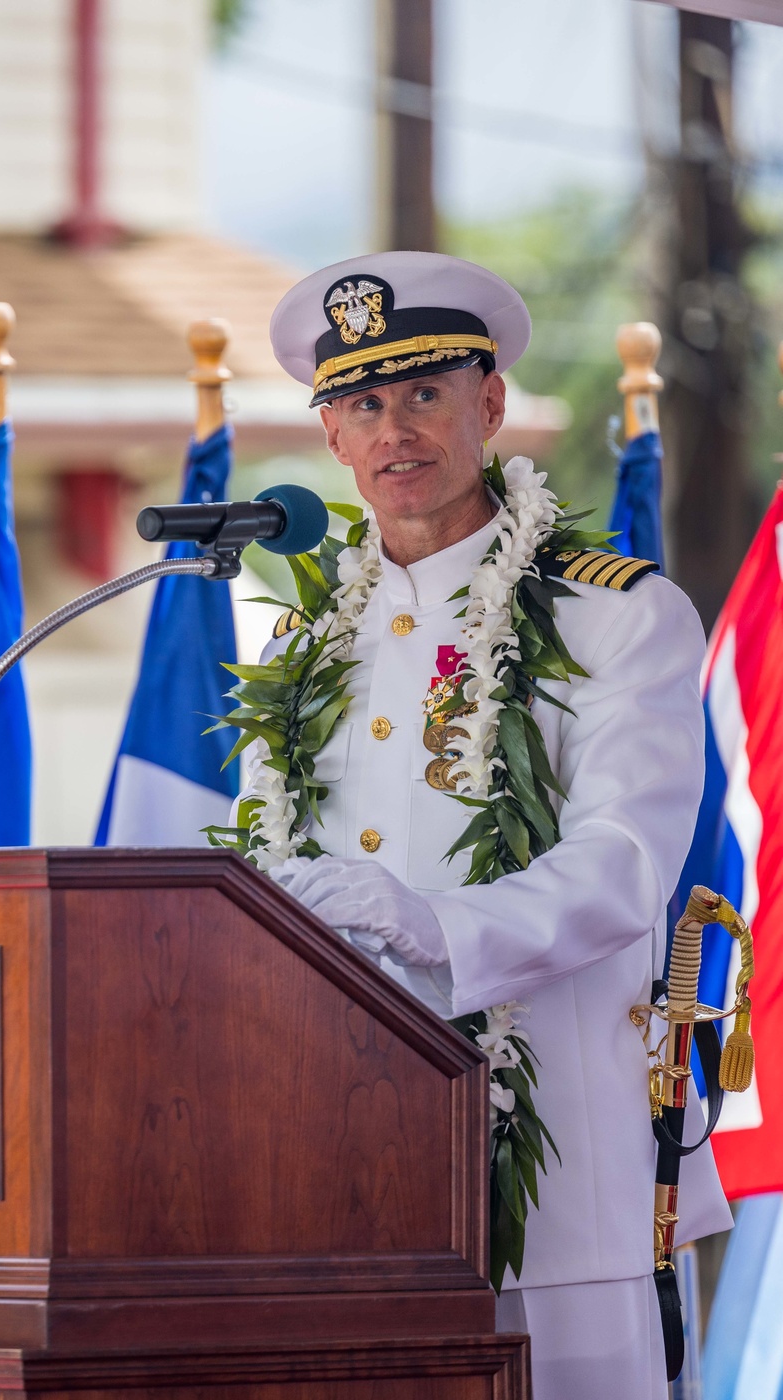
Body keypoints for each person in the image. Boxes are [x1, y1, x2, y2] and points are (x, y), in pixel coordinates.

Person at [252, 252, 732, 1399]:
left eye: (423, 391)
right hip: (350, 1170)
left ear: (490, 403)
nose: (395, 429)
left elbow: (624, 863)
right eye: (362, 403)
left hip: (570, 1168)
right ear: (330, 437)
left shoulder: (613, 614)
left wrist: (436, 924)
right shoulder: (305, 647)